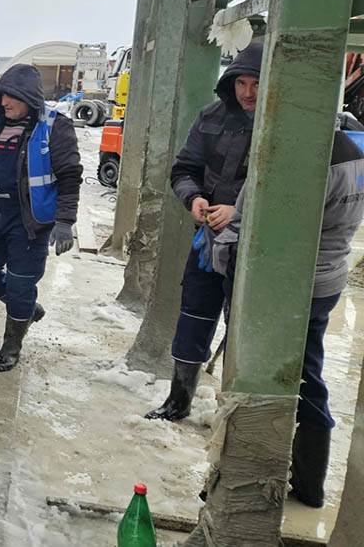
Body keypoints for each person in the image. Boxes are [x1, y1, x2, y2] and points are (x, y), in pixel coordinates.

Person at [209, 129, 364, 507]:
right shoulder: (351, 152)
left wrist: (229, 265)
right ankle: (309, 483)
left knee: (268, 379)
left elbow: (268, 227)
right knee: (307, 372)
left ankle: (255, 480)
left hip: (292, 286)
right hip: (327, 279)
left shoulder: (305, 156)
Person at [145, 43, 262, 420]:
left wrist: (240, 212)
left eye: (256, 83)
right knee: (194, 314)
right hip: (209, 238)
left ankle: (241, 416)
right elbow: (184, 169)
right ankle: (178, 400)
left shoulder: (284, 122)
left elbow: (289, 191)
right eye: (241, 83)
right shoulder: (212, 116)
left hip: (256, 247)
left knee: (245, 326)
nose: (247, 92)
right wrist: (193, 198)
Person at [0, 64, 82, 371]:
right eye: (2, 95)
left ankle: (11, 346)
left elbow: (70, 176)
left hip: (29, 221)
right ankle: (27, 308)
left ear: (29, 97)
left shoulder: (55, 126)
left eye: (12, 97)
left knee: (21, 284)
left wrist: (65, 221)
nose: (4, 102)